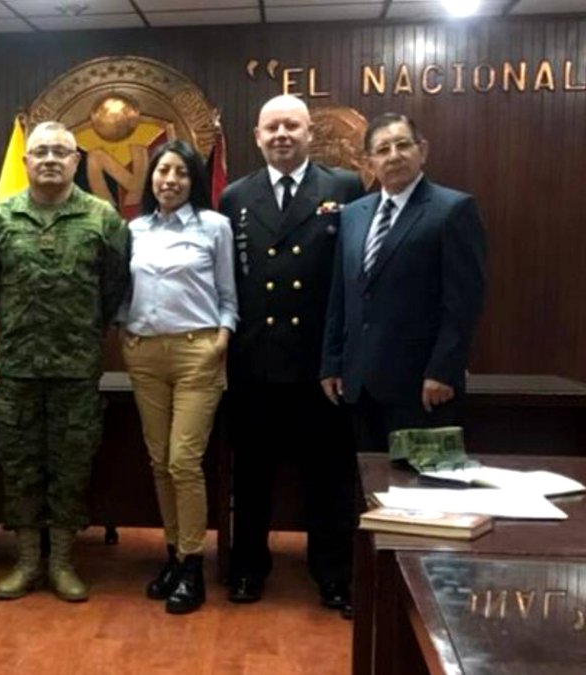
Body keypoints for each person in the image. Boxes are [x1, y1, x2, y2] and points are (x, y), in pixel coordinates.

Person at [217, 95, 365, 616]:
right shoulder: (235, 196)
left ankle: (333, 573)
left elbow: (353, 278)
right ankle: (250, 568)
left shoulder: (343, 188)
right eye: (272, 127)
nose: (282, 134)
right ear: (257, 136)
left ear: (308, 134)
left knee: (328, 476)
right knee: (252, 475)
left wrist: (341, 357)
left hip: (316, 364)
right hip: (255, 361)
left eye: (291, 126)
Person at [0, 121, 130, 603]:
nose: (48, 159)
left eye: (59, 152)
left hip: (75, 368)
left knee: (70, 465)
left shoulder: (102, 219)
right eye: (40, 151)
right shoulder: (0, 218)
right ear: (25, 163)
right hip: (19, 368)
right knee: (20, 464)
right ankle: (26, 561)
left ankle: (62, 561)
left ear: (75, 161)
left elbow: (114, 288)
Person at [321, 113, 486, 453]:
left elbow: (463, 303)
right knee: (369, 492)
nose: (393, 155)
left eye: (402, 145)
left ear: (422, 150)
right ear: (369, 162)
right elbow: (341, 296)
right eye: (382, 149)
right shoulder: (354, 214)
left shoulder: (452, 209)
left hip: (423, 387)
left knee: (424, 495)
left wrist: (443, 371)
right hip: (359, 384)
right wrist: (332, 363)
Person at [120, 140, 237, 614]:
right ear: (151, 179)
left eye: (180, 173)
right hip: (145, 353)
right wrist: (123, 327)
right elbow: (124, 288)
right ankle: (173, 554)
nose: (170, 180)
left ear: (194, 180)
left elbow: (229, 294)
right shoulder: (135, 229)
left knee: (183, 460)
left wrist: (222, 337)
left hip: (197, 354)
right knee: (157, 461)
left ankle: (193, 565)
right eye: (162, 171)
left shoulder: (215, 227)